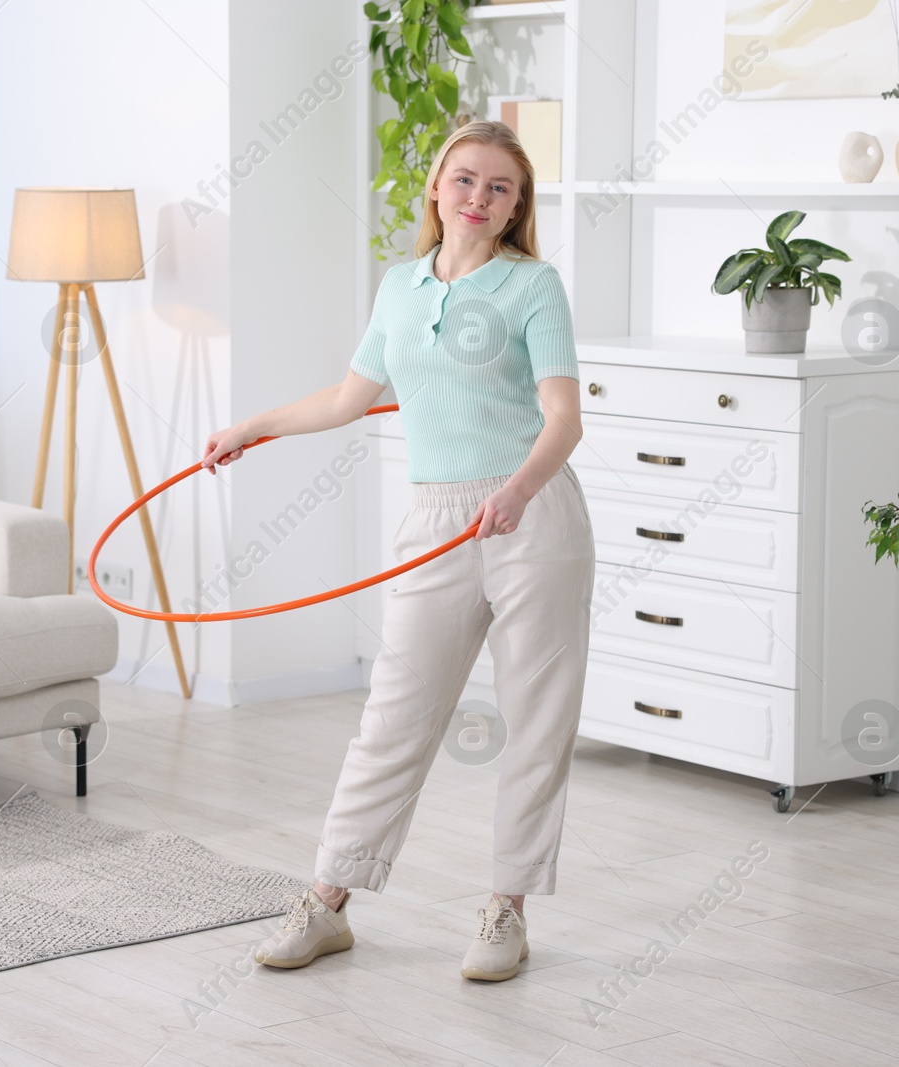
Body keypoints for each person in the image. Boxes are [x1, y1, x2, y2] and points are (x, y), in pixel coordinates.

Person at [198, 120, 594, 983]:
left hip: (532, 513)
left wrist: (519, 490)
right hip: (435, 519)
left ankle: (506, 909)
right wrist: (251, 428)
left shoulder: (535, 286)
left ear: (518, 205)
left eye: (500, 187)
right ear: (436, 187)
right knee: (393, 716)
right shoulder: (399, 289)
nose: (479, 198)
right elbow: (349, 397)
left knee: (535, 719)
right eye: (465, 180)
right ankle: (329, 900)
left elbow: (563, 416)